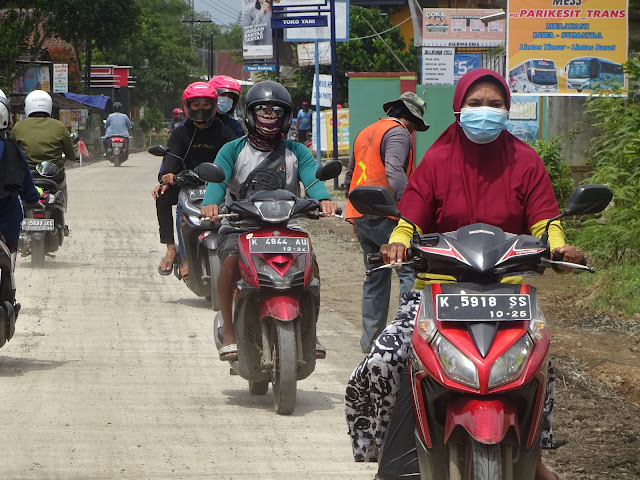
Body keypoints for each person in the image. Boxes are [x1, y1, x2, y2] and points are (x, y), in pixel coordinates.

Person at [344, 69, 582, 480]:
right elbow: (410, 220)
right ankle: (387, 456)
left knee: (539, 361)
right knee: (384, 360)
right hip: (437, 292)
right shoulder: (436, 159)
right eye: (475, 104)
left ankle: (535, 456)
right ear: (458, 107)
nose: (485, 112)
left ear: (508, 108)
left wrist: (558, 248)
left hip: (508, 294)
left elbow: (546, 220)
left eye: (494, 103)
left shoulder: (525, 161)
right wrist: (398, 243)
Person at [200, 80, 339, 362]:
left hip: (287, 225)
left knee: (312, 268)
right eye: (262, 109)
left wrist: (324, 199)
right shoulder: (232, 150)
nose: (269, 115)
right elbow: (218, 181)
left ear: (286, 115)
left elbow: (313, 180)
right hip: (241, 225)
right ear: (250, 113)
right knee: (229, 263)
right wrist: (211, 205)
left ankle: (310, 331)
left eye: (276, 110)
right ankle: (229, 331)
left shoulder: (297, 152)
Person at [344, 92, 429, 354]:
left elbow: (350, 175)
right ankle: (408, 340)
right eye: (415, 125)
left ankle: (370, 342)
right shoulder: (399, 132)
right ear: (409, 118)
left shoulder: (366, 132)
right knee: (408, 273)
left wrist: (356, 214)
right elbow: (394, 171)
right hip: (388, 214)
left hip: (362, 214)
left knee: (376, 276)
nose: (414, 131)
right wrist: (409, 210)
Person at [153, 82, 236, 277]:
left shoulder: (224, 132)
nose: (200, 109)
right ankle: (175, 251)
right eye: (195, 104)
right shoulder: (181, 132)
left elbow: (235, 156)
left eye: (205, 104)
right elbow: (172, 156)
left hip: (219, 184)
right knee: (163, 197)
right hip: (187, 183)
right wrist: (168, 175)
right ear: (187, 106)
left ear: (213, 105)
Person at [10, 89, 76, 206]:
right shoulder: (59, 126)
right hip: (54, 179)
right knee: (63, 184)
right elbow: (71, 155)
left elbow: (11, 154)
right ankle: (62, 208)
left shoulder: (18, 127)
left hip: (25, 179)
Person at [0, 89, 41, 257]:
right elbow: (27, 184)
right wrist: (33, 199)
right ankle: (9, 276)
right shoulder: (13, 149)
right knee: (11, 247)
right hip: (7, 217)